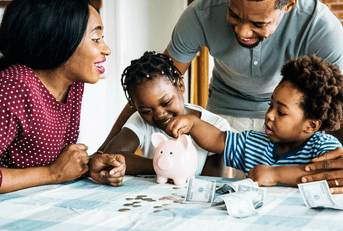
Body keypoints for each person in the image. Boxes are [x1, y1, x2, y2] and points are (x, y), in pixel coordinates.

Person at [106, 0, 343, 183]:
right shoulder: (202, 13)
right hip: (224, 115)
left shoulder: (321, 27)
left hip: (294, 119)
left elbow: (335, 103)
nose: (242, 32)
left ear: (289, 4)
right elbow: (153, 83)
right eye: (234, 15)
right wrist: (104, 149)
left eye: (258, 24)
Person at [0, 0, 124, 194]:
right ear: (60, 38)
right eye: (96, 39)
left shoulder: (73, 85)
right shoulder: (15, 85)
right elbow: (53, 171)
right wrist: (52, 174)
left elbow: (56, 165)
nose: (106, 49)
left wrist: (89, 165)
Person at [166, 55, 343, 190]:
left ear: (311, 125)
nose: (269, 115)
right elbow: (219, 139)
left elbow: (323, 175)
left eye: (281, 112)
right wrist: (193, 123)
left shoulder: (324, 148)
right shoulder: (254, 143)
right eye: (270, 105)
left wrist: (274, 175)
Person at [89, 51, 231, 181]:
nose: (160, 114)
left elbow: (213, 181)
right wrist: (162, 166)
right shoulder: (140, 120)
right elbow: (111, 155)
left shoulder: (217, 126)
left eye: (166, 102)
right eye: (146, 110)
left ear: (180, 85)